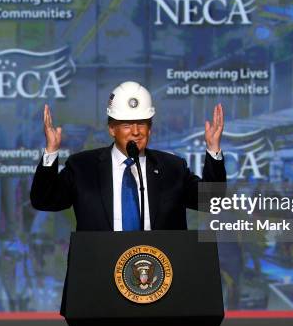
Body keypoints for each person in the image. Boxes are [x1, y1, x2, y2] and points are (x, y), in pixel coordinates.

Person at [30, 81, 226, 231]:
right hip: (98, 276)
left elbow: (211, 201)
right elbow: (43, 200)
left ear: (150, 129)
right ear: (112, 129)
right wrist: (51, 152)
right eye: (126, 124)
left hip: (161, 276)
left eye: (141, 123)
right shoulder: (83, 167)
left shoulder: (172, 168)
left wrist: (213, 149)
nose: (135, 131)